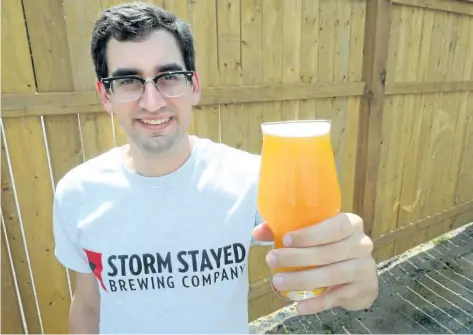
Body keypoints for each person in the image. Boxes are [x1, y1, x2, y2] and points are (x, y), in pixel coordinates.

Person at [52, 2, 378, 334]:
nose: (152, 101)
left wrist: (355, 282)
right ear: (105, 95)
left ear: (193, 85)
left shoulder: (252, 178)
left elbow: (322, 260)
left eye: (168, 77)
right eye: (129, 82)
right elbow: (88, 305)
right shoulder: (78, 193)